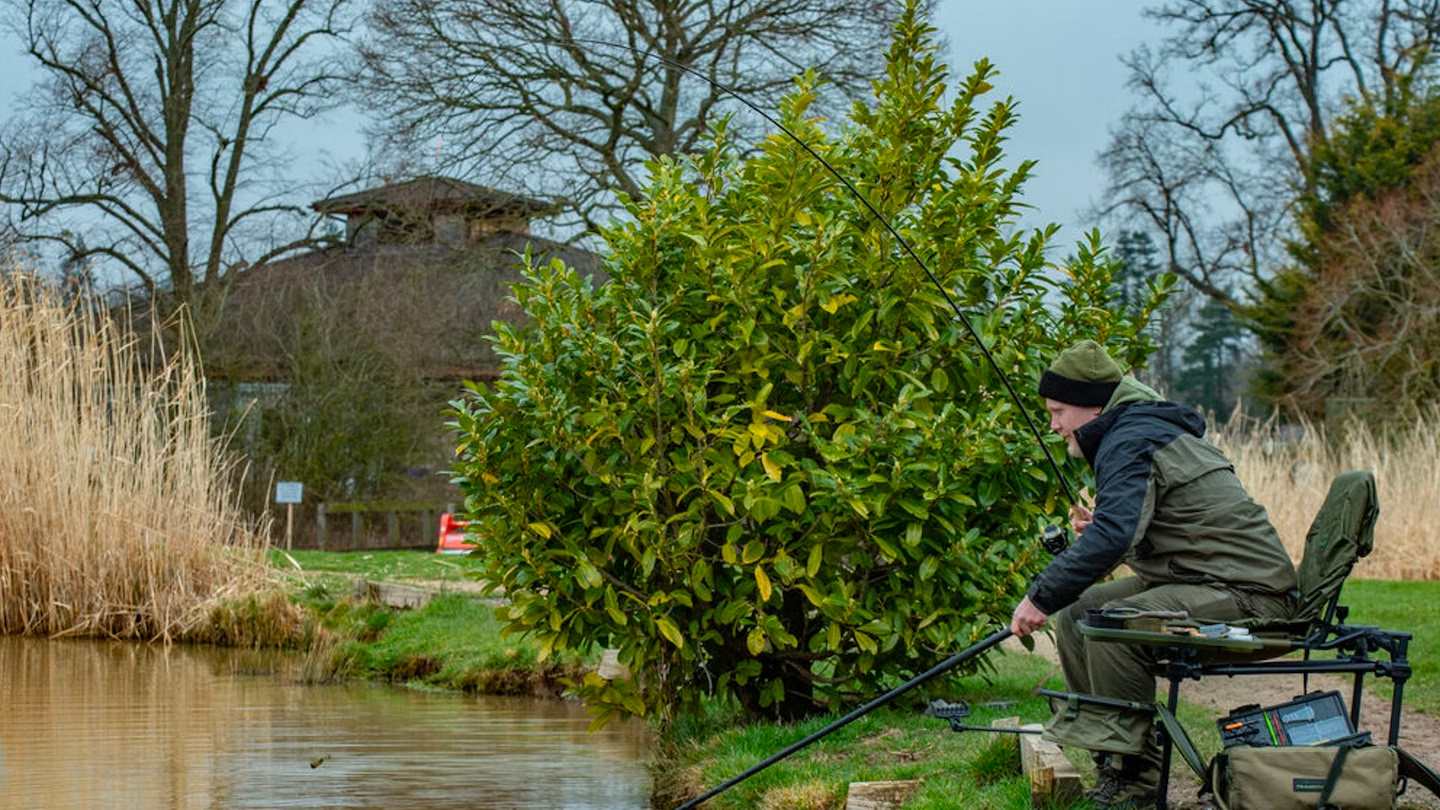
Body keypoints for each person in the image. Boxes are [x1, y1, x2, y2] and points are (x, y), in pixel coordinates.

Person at [1009, 339, 1298, 808]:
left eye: (1059, 411)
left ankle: (1137, 778)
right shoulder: (1136, 430)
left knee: (1113, 624)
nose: (1054, 425)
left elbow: (1115, 539)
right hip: (1203, 578)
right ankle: (1113, 760)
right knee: (1080, 610)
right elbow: (1144, 531)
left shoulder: (1131, 437)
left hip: (1252, 594)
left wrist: (1039, 596)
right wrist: (1103, 530)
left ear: (1094, 406)